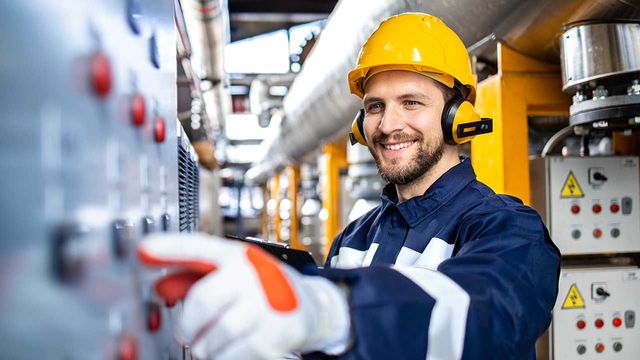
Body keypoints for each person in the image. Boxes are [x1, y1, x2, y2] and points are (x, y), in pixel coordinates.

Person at [137, 13, 560, 360]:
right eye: (375, 107)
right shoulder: (355, 236)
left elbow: (483, 313)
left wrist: (322, 310)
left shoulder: (509, 229)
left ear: (457, 118)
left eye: (411, 102)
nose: (389, 125)